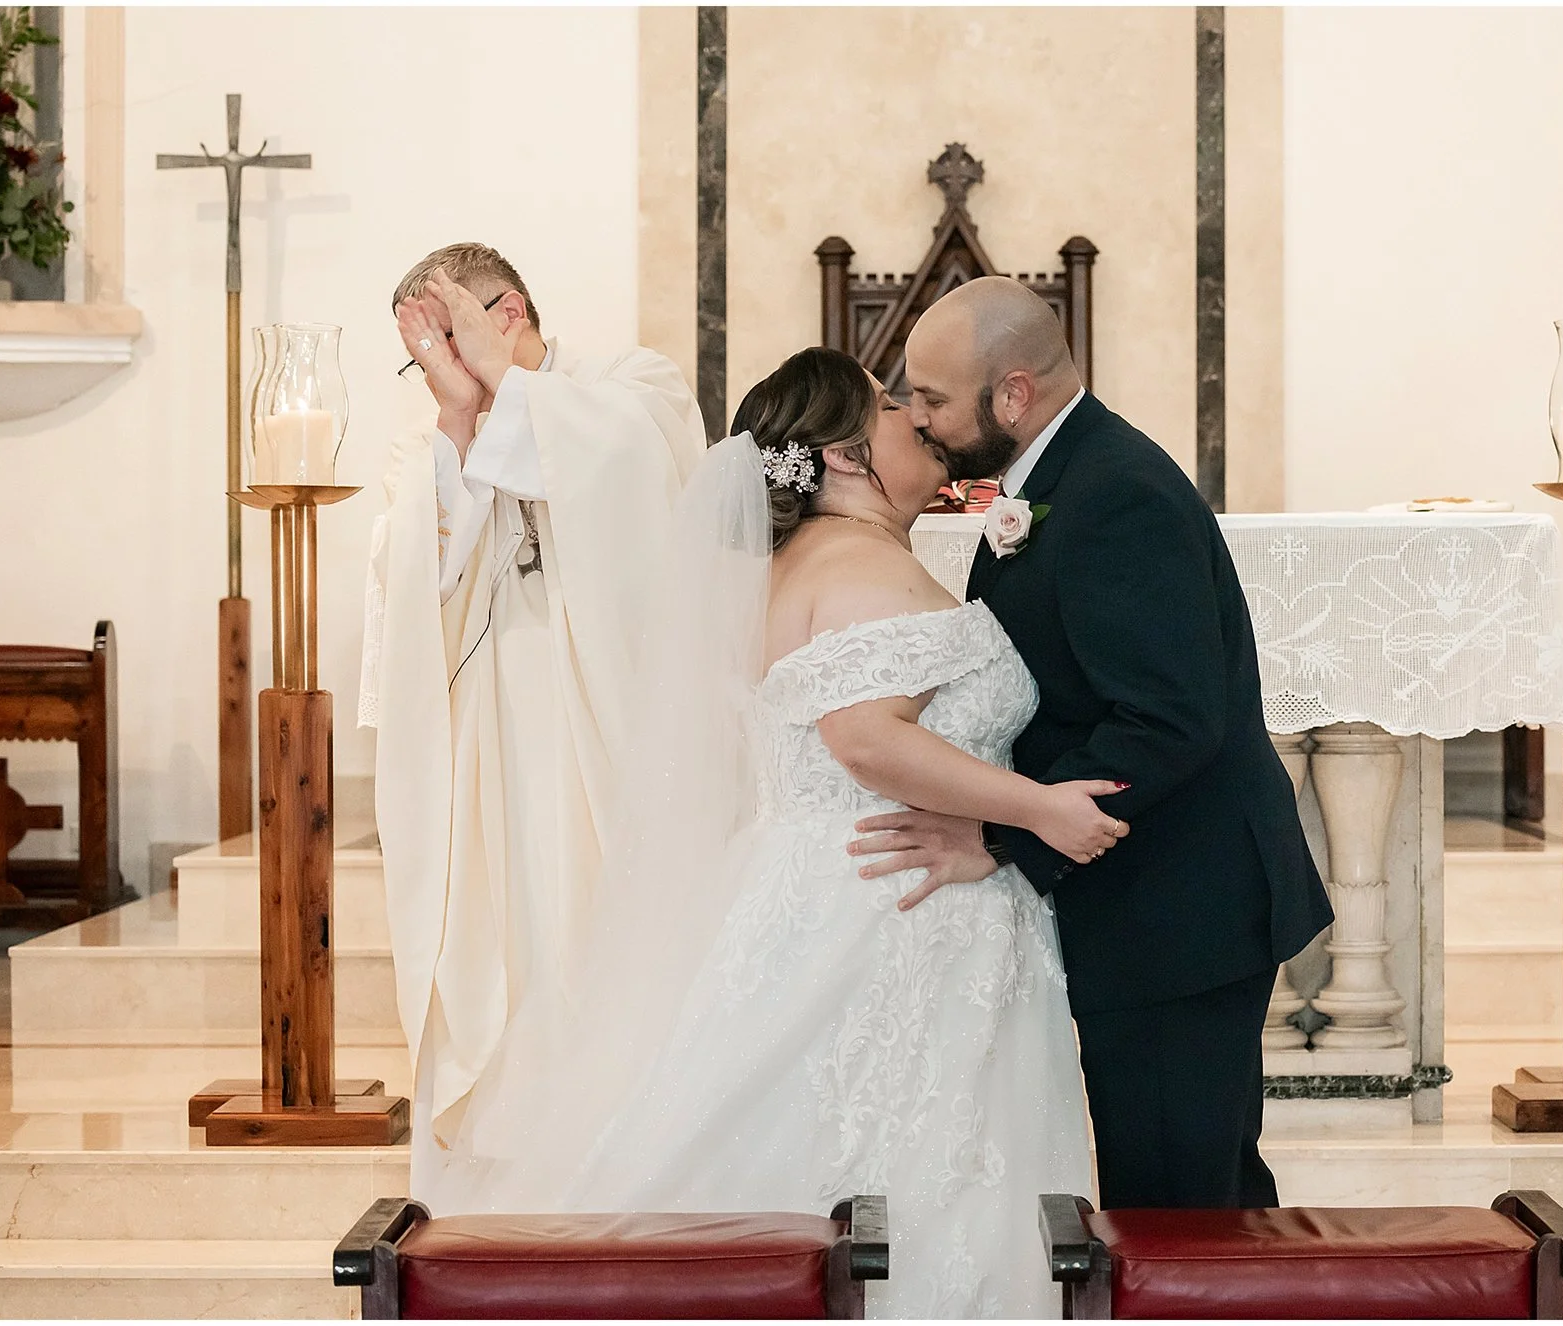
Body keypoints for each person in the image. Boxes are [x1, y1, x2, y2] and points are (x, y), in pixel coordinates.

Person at [424, 347, 1107, 1318]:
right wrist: (1041, 808)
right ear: (838, 456)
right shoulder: (864, 567)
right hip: (895, 907)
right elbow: (866, 738)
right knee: (900, 1154)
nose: (916, 415)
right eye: (889, 408)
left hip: (823, 886)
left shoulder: (797, 569)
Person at [853, 275, 1335, 1211]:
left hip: (1179, 908)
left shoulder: (1115, 493)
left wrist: (999, 834)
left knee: (1177, 1210)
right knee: (1193, 1195)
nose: (920, 419)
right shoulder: (1057, 480)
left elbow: (1168, 718)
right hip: (1149, 898)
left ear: (1015, 394)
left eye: (937, 399)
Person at [360, 242, 704, 1192]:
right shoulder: (433, 434)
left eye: (444, 336)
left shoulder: (634, 384)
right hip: (490, 751)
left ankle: (621, 1175)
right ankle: (498, 1185)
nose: (433, 367)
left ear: (504, 313)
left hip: (608, 728)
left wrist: (506, 402)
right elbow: (411, 577)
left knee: (597, 939)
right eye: (417, 351)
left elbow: (641, 466)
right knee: (502, 948)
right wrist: (461, 433)